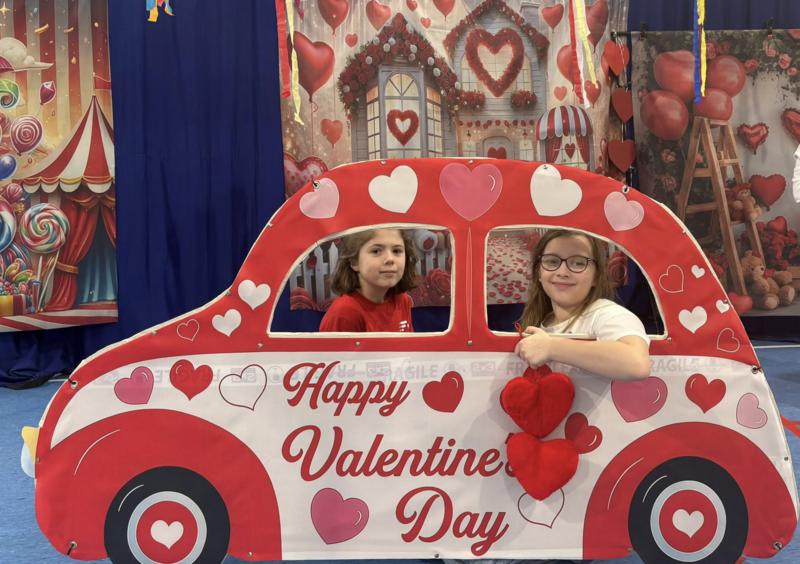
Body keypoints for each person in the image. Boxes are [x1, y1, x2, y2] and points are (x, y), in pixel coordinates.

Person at [515, 229, 651, 381]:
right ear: (539, 272)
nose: (562, 272)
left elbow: (637, 363)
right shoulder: (540, 321)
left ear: (596, 276)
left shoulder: (606, 314)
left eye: (578, 263)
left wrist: (551, 348)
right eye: (552, 261)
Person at [319, 228, 418, 332]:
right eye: (376, 251)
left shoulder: (403, 300)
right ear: (354, 262)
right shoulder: (344, 314)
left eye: (396, 251)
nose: (390, 259)